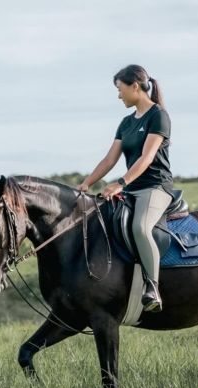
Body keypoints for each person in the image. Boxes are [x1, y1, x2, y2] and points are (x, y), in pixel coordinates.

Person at [76, 64, 173, 313]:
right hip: (130, 190)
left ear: (135, 86)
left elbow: (147, 158)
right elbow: (110, 160)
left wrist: (120, 183)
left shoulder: (158, 116)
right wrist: (87, 183)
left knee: (140, 228)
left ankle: (153, 288)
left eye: (120, 89)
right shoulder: (126, 122)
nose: (119, 95)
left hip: (155, 188)